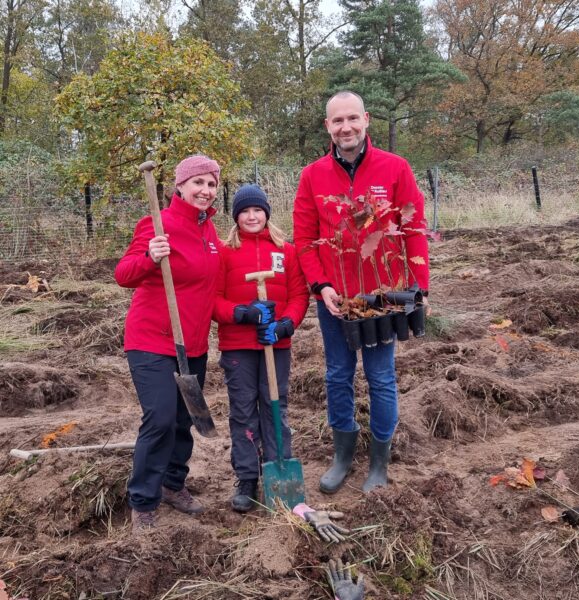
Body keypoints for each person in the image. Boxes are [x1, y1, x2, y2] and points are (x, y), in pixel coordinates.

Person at [293, 90, 430, 494]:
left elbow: (413, 228)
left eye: (352, 118)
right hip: (336, 300)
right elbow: (304, 238)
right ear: (328, 127)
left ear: (366, 120)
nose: (346, 127)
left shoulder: (395, 168)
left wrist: (417, 286)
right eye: (338, 121)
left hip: (382, 299)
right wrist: (322, 286)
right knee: (337, 375)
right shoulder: (312, 176)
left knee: (381, 377)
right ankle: (341, 456)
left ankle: (379, 464)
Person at [115, 155, 221, 532]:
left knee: (182, 421)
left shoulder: (210, 232)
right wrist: (149, 255)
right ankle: (143, 501)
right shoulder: (158, 224)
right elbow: (123, 274)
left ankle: (173, 485)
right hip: (151, 340)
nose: (205, 191)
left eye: (211, 184)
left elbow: (213, 289)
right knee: (159, 418)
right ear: (180, 186)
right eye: (198, 183)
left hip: (192, 344)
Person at [213, 184, 309, 512]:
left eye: (257, 210)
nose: (252, 216)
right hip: (238, 346)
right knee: (242, 411)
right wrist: (240, 313)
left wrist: (286, 325)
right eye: (244, 211)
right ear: (236, 216)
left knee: (274, 406)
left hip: (275, 345)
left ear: (267, 213)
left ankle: (278, 466)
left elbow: (299, 295)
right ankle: (247, 477)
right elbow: (213, 300)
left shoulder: (286, 251)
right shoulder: (225, 252)